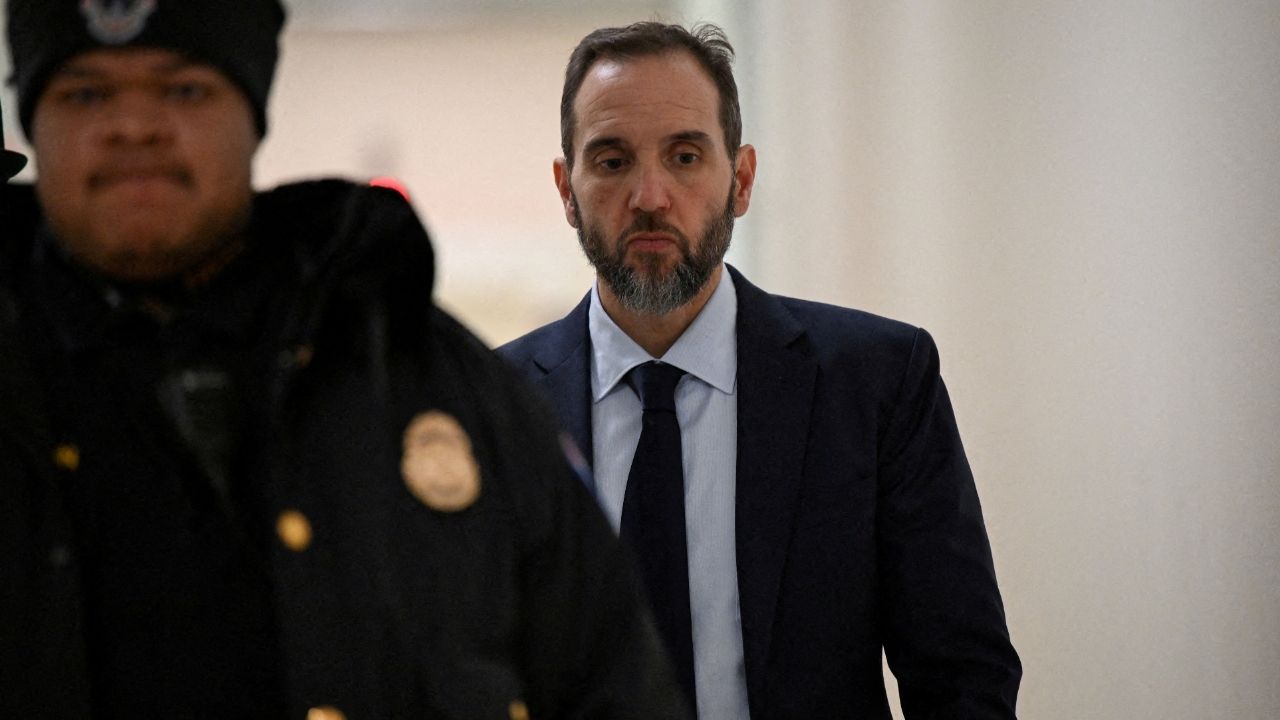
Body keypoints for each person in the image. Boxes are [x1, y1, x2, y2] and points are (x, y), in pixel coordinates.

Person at [0, 2, 687, 717]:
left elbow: (611, 685)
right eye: (86, 93)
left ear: (252, 112)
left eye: (183, 90)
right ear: (32, 121)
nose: (133, 127)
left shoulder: (438, 387)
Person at [501, 21, 1022, 719]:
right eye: (612, 161)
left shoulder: (877, 385)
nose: (650, 195)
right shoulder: (497, 408)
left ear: (740, 180)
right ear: (567, 189)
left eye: (685, 157)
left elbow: (961, 677)